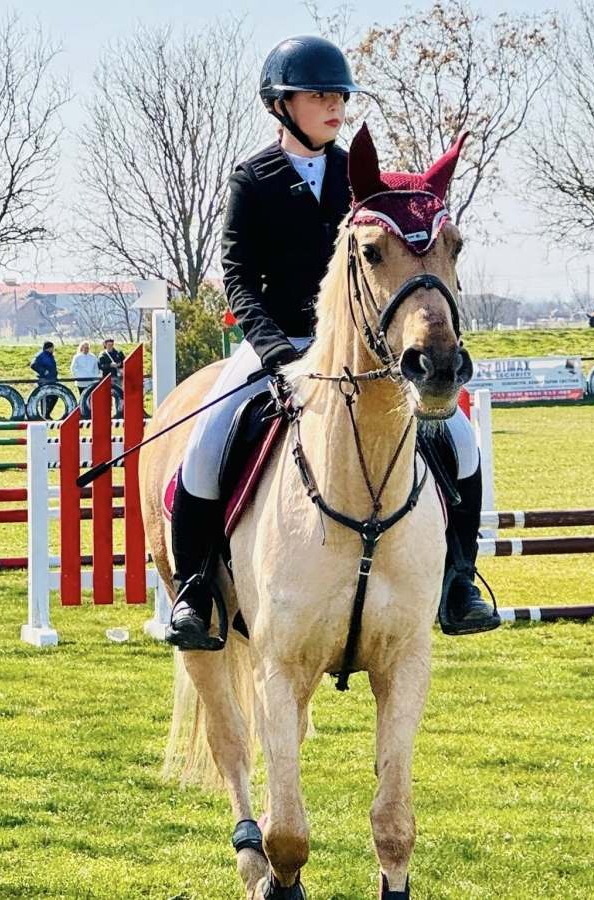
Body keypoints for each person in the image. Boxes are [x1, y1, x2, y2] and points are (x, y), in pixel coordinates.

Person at [167, 35, 499, 651]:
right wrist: (274, 352)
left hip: (360, 351)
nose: (334, 107)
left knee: (459, 441)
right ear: (281, 104)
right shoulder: (253, 179)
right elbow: (239, 279)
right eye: (319, 96)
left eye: (339, 96)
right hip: (278, 343)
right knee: (208, 442)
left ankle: (459, 580)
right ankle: (194, 590)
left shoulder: (361, 179)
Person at [29, 341, 58, 418]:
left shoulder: (50, 355)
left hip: (52, 379)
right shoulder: (40, 355)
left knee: (55, 396)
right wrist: (43, 371)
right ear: (48, 348)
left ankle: (47, 414)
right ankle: (45, 415)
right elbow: (33, 365)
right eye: (52, 347)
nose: (53, 349)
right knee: (45, 398)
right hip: (44, 380)